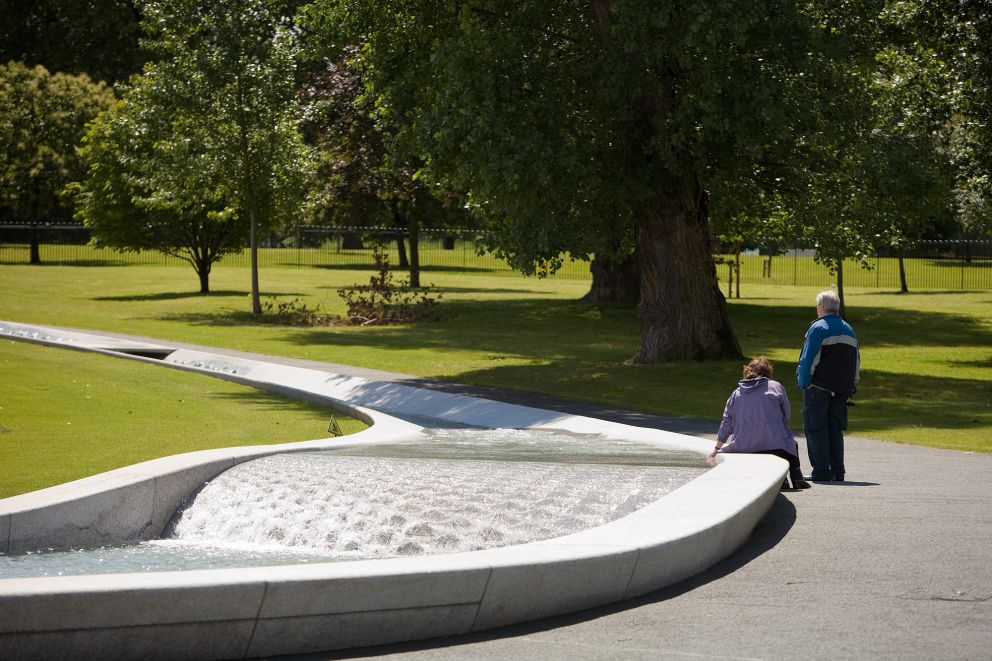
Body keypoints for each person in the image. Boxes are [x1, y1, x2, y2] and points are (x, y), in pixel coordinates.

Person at [709, 356, 811, 490]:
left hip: (745, 447)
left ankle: (782, 480)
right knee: (789, 442)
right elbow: (786, 415)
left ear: (747, 371)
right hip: (776, 446)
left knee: (781, 440)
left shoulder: (736, 393)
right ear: (768, 372)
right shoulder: (775, 386)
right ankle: (796, 477)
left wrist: (717, 449)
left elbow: (726, 422)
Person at [796, 289, 860, 482]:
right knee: (834, 429)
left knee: (815, 428)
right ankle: (838, 471)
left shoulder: (818, 328)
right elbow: (855, 361)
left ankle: (822, 470)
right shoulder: (849, 329)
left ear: (821, 307)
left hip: (818, 387)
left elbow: (809, 359)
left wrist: (803, 381)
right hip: (841, 388)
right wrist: (852, 384)